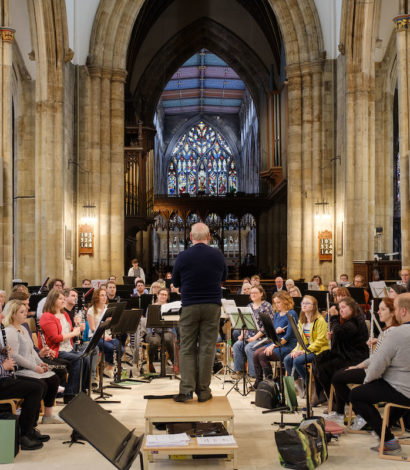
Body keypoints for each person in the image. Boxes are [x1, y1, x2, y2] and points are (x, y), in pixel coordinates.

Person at [171, 222, 227, 403]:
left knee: (187, 347)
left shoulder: (183, 256)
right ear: (209, 236)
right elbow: (224, 278)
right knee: (207, 348)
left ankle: (186, 390)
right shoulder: (218, 256)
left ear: (190, 237)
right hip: (212, 306)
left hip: (189, 306)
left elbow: (176, 282)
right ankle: (203, 391)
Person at [349, 293, 410, 454]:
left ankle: (389, 441)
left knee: (357, 395)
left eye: (395, 308)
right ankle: (386, 431)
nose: (394, 312)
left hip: (402, 388)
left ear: (403, 311)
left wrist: (367, 382)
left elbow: (377, 366)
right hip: (404, 388)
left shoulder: (397, 333)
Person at [331, 297, 399, 427]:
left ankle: (364, 416)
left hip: (380, 374)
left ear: (392, 312)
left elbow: (382, 361)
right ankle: (358, 414)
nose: (378, 312)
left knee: (339, 378)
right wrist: (357, 367)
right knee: (338, 375)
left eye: (382, 309)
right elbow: (376, 357)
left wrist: (367, 376)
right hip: (373, 369)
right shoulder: (385, 330)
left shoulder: (393, 332)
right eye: (378, 309)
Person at [3, 300, 61, 424]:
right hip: (22, 368)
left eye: (25, 311)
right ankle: (30, 424)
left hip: (30, 365)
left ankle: (46, 416)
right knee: (41, 384)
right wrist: (34, 368)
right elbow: (15, 356)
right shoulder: (10, 331)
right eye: (22, 312)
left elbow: (32, 350)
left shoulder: (23, 327)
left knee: (53, 378)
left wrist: (40, 362)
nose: (26, 314)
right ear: (13, 314)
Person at [313, 297, 368, 401]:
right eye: (339, 308)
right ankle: (323, 393)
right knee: (318, 359)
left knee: (324, 366)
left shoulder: (355, 322)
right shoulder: (348, 321)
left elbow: (340, 332)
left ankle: (337, 398)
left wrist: (334, 317)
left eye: (343, 307)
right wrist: (333, 336)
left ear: (352, 308)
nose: (340, 310)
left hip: (354, 358)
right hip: (345, 354)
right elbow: (341, 337)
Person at [40, 289, 89, 403]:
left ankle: (82, 390)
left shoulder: (64, 314)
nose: (63, 301)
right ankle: (69, 394)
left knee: (86, 357)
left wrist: (77, 326)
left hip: (68, 348)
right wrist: (73, 333)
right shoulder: (47, 316)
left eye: (63, 298)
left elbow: (70, 332)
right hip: (56, 351)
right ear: (52, 300)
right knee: (79, 359)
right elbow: (55, 338)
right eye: (60, 299)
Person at [0, 345, 48, 450]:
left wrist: (3, 353)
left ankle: (30, 428)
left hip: (5, 377)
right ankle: (24, 434)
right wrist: (3, 367)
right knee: (35, 388)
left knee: (41, 385)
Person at [284, 295, 329, 398]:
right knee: (288, 359)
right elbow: (300, 341)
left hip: (319, 350)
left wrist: (304, 351)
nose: (304, 305)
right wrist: (296, 351)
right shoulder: (302, 320)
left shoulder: (320, 320)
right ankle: (298, 386)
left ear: (313, 306)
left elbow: (321, 340)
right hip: (307, 349)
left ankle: (310, 384)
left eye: (307, 303)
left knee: (297, 361)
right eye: (303, 303)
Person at [252, 291, 297, 388]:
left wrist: (273, 345)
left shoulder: (291, 313)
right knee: (255, 353)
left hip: (287, 346)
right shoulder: (277, 314)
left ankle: (270, 382)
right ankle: (258, 382)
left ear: (285, 301)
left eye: (279, 302)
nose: (277, 305)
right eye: (275, 302)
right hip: (276, 343)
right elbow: (272, 333)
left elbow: (288, 336)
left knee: (262, 355)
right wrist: (275, 331)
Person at [232, 285, 274, 381]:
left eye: (255, 293)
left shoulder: (267, 306)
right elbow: (245, 323)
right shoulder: (249, 306)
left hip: (262, 338)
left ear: (261, 294)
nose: (253, 295)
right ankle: (240, 371)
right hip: (249, 337)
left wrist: (254, 338)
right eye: (251, 293)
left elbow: (266, 327)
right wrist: (242, 335)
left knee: (249, 348)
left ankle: (254, 375)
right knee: (237, 345)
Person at [87, 288, 122, 379]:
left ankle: (108, 367)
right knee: (110, 348)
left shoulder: (108, 308)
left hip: (108, 335)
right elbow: (93, 328)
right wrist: (103, 336)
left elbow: (111, 326)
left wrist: (111, 322)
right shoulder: (91, 310)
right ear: (96, 297)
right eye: (101, 295)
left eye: (105, 295)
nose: (104, 297)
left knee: (120, 349)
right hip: (96, 337)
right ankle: (108, 368)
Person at [146, 288, 176, 373]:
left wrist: (174, 334)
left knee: (167, 338)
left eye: (165, 295)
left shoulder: (170, 307)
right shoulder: (151, 307)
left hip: (168, 330)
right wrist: (150, 332)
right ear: (158, 295)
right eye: (162, 294)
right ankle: (150, 363)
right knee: (154, 341)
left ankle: (174, 363)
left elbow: (174, 323)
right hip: (154, 331)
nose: (163, 296)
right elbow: (148, 323)